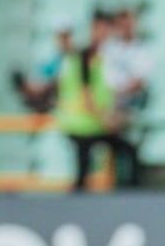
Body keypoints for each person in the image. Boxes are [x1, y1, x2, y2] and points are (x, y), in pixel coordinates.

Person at [54, 11, 139, 191]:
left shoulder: (96, 60)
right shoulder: (84, 58)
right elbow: (87, 97)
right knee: (87, 169)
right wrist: (106, 119)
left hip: (88, 123)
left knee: (90, 168)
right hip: (82, 123)